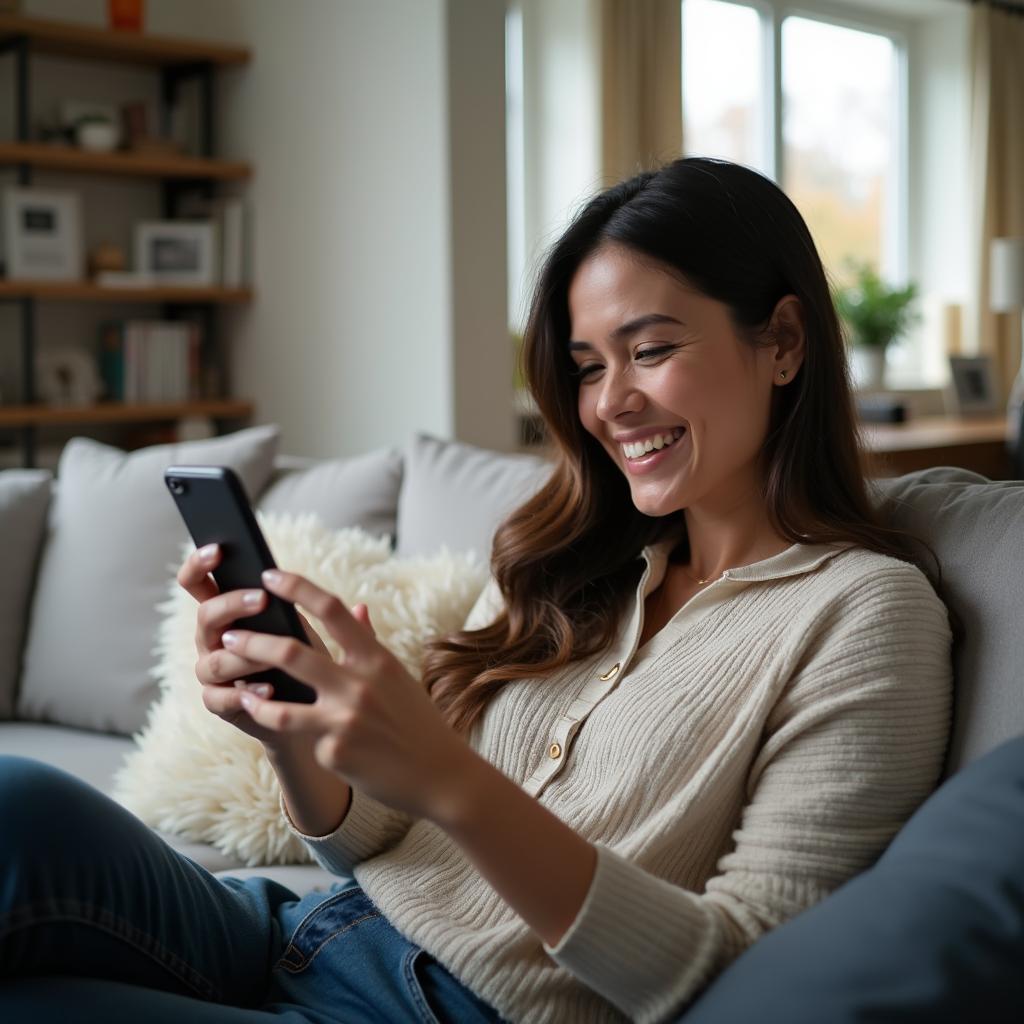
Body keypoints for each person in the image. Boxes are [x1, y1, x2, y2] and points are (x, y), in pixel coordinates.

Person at [0, 157, 953, 1023]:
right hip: (308, 928)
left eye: (651, 349)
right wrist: (292, 736)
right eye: (587, 368)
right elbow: (374, 838)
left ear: (783, 340)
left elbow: (734, 977)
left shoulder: (866, 614)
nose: (609, 403)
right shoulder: (582, 566)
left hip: (433, 1012)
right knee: (19, 802)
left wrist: (451, 781)